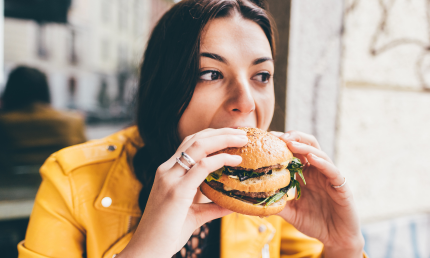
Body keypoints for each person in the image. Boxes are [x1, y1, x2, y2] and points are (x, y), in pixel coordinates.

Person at [18, 1, 367, 257]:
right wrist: (147, 248)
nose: (245, 102)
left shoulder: (269, 195)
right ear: (165, 85)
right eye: (211, 74)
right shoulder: (70, 179)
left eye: (261, 76)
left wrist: (343, 246)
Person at [0, 66, 86, 172]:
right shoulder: (73, 122)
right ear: (45, 89)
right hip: (60, 186)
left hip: (8, 187)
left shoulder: (4, 123)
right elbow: (84, 160)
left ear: (10, 91)